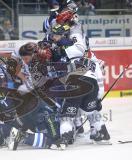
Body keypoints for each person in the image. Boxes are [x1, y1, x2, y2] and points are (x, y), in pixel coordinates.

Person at [48, 8, 110, 144]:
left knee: (66, 113)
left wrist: (60, 43)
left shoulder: (74, 32)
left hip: (78, 79)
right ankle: (102, 132)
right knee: (91, 109)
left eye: (56, 35)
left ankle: (65, 137)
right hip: (90, 78)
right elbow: (87, 54)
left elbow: (78, 50)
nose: (55, 37)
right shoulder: (74, 33)